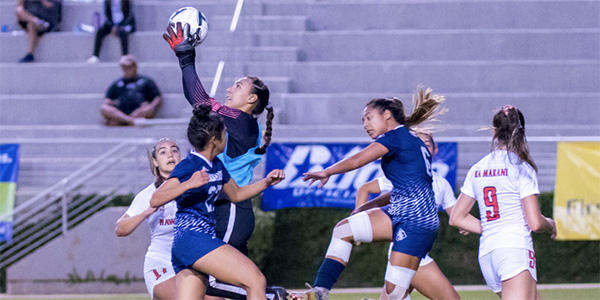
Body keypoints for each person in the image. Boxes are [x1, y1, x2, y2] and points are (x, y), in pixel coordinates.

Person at [163, 23, 276, 299]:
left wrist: (186, 57)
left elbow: (199, 101)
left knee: (213, 284)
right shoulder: (242, 124)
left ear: (252, 99)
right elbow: (202, 105)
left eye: (238, 86)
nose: (229, 88)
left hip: (230, 209)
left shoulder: (243, 122)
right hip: (226, 208)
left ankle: (276, 296)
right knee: (215, 284)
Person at [300, 88, 445, 300]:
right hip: (400, 210)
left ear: (387, 115)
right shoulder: (407, 140)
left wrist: (327, 171)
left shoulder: (397, 137)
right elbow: (403, 189)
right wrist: (369, 206)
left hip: (417, 220)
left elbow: (359, 159)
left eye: (369, 117)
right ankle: (320, 292)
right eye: (363, 120)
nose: (365, 124)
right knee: (343, 230)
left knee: (394, 293)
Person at [149, 104, 284, 300]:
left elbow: (236, 194)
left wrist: (266, 182)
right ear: (214, 139)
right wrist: (188, 185)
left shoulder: (216, 164)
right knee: (255, 281)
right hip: (194, 239)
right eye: (225, 131)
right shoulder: (190, 165)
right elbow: (156, 198)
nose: (227, 135)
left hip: (189, 245)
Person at [449, 105, 557, 299]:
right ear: (521, 133)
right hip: (513, 250)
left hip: (488, 254)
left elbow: (456, 217)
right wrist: (551, 225)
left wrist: (493, 226)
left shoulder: (477, 168)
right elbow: (534, 222)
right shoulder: (522, 168)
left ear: (494, 132)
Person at [353, 130, 463, 300]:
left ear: (435, 150)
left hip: (414, 250)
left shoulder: (441, 183)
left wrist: (468, 224)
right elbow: (364, 188)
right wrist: (359, 223)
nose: (421, 148)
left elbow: (456, 216)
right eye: (417, 145)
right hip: (408, 250)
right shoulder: (402, 176)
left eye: (426, 145)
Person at [115, 138, 181, 300]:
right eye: (163, 152)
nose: (170, 155)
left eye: (174, 150)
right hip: (162, 262)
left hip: (192, 260)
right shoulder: (148, 194)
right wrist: (148, 211)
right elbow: (120, 229)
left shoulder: (192, 187)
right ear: (155, 162)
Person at [100, 54, 162, 126]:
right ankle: (130, 120)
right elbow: (107, 101)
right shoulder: (117, 83)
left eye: (128, 67)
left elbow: (157, 98)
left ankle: (126, 120)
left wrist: (151, 106)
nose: (126, 70)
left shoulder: (146, 81)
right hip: (122, 112)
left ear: (135, 67)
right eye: (124, 67)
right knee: (104, 108)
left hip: (139, 111)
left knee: (148, 109)